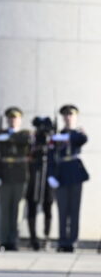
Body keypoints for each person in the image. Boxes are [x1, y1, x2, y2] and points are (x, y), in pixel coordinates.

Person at [47, 104, 89, 252]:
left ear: (75, 117)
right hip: (61, 174)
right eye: (66, 115)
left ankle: (72, 241)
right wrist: (50, 175)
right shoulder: (56, 135)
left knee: (74, 209)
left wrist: (67, 137)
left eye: (71, 115)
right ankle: (62, 241)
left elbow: (83, 139)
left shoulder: (78, 133)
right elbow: (50, 157)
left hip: (75, 174)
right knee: (62, 209)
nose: (68, 118)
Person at [0, 107, 31, 251]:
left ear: (20, 120)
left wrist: (10, 137)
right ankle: (4, 240)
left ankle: (14, 240)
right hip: (4, 175)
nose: (13, 120)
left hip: (20, 176)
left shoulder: (25, 134)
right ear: (7, 120)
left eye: (16, 118)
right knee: (5, 209)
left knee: (17, 210)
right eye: (10, 118)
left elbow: (27, 141)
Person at [26, 116, 55, 250]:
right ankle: (33, 239)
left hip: (48, 176)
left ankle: (46, 237)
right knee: (32, 204)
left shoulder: (52, 138)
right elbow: (28, 153)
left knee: (47, 205)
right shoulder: (32, 138)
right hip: (34, 175)